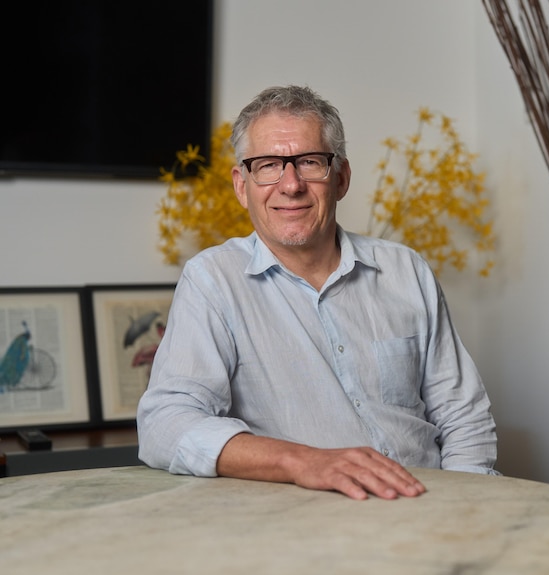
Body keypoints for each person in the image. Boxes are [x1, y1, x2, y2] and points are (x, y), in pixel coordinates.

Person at [137, 85, 500, 501]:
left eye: (309, 162)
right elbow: (164, 425)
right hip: (305, 529)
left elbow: (463, 416)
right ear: (242, 185)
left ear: (341, 178)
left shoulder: (406, 270)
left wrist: (466, 507)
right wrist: (302, 461)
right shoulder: (213, 281)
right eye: (269, 165)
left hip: (429, 507)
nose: (290, 185)